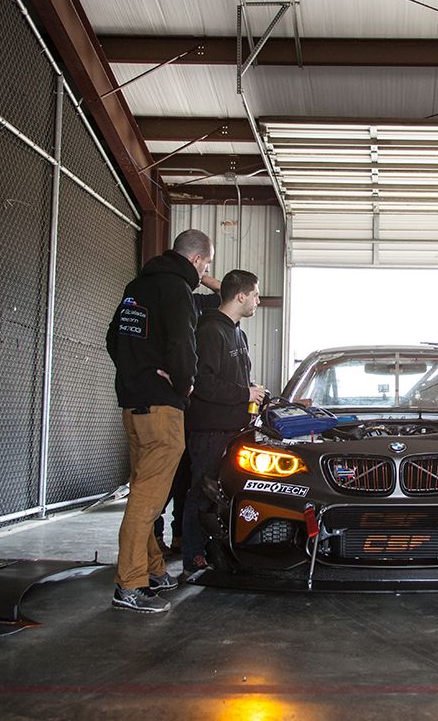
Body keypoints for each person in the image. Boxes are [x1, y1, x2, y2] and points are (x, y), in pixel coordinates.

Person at [105, 229, 214, 613]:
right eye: (206, 265)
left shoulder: (138, 285)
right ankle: (130, 585)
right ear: (199, 261)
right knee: (148, 499)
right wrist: (182, 386)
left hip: (132, 405)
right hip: (162, 409)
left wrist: (137, 374)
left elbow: (112, 338)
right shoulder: (178, 291)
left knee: (143, 490)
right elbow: (184, 346)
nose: (205, 273)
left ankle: (152, 570)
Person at [181, 270, 267, 575]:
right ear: (241, 296)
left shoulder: (237, 333)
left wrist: (253, 392)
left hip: (235, 430)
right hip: (210, 430)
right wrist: (245, 391)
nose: (258, 300)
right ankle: (192, 556)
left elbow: (232, 378)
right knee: (201, 491)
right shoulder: (209, 331)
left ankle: (220, 549)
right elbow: (202, 383)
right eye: (255, 294)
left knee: (224, 493)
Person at [154, 286, 221, 557]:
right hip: (172, 405)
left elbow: (225, 292)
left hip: (191, 412)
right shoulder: (167, 300)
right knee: (165, 479)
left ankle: (180, 536)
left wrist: (201, 274)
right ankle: (155, 536)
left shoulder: (195, 301)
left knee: (185, 480)